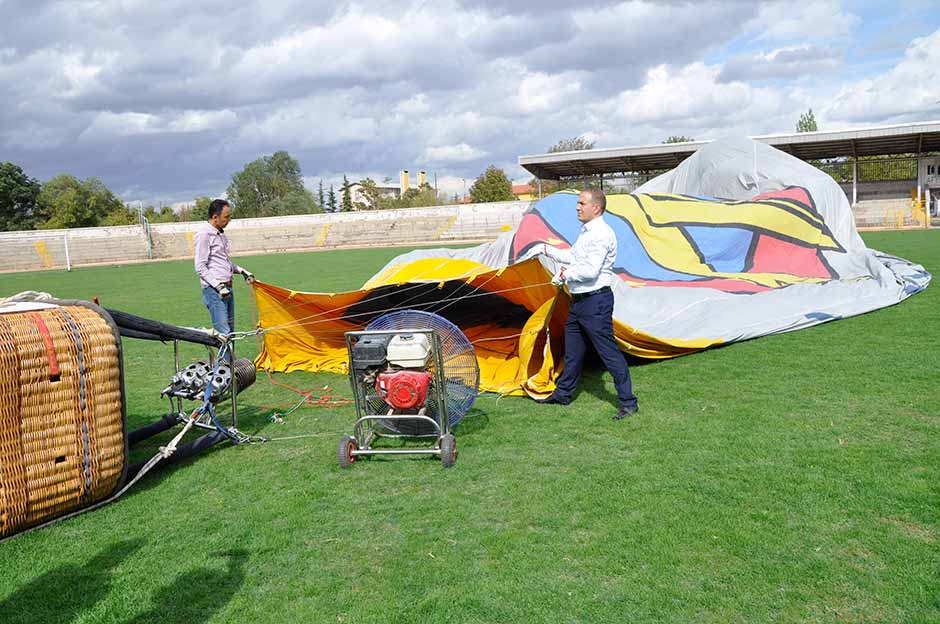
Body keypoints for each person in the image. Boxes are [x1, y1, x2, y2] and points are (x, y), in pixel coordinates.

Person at [534, 188, 638, 420]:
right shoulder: (587, 231)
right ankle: (563, 395)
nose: (577, 207)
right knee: (573, 353)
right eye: (578, 203)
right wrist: (544, 250)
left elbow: (590, 270)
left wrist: (565, 276)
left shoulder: (601, 233)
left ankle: (628, 402)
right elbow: (575, 256)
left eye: (582, 203)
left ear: (596, 207)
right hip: (580, 303)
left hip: (595, 303)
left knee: (609, 353)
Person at [194, 199, 256, 340]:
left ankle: (229, 362)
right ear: (215, 217)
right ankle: (224, 363)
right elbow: (200, 266)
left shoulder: (220, 234)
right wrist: (219, 286)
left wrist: (242, 271)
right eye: (226, 217)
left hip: (227, 289)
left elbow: (224, 263)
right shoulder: (204, 234)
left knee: (230, 332)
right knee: (224, 333)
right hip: (215, 291)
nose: (229, 220)